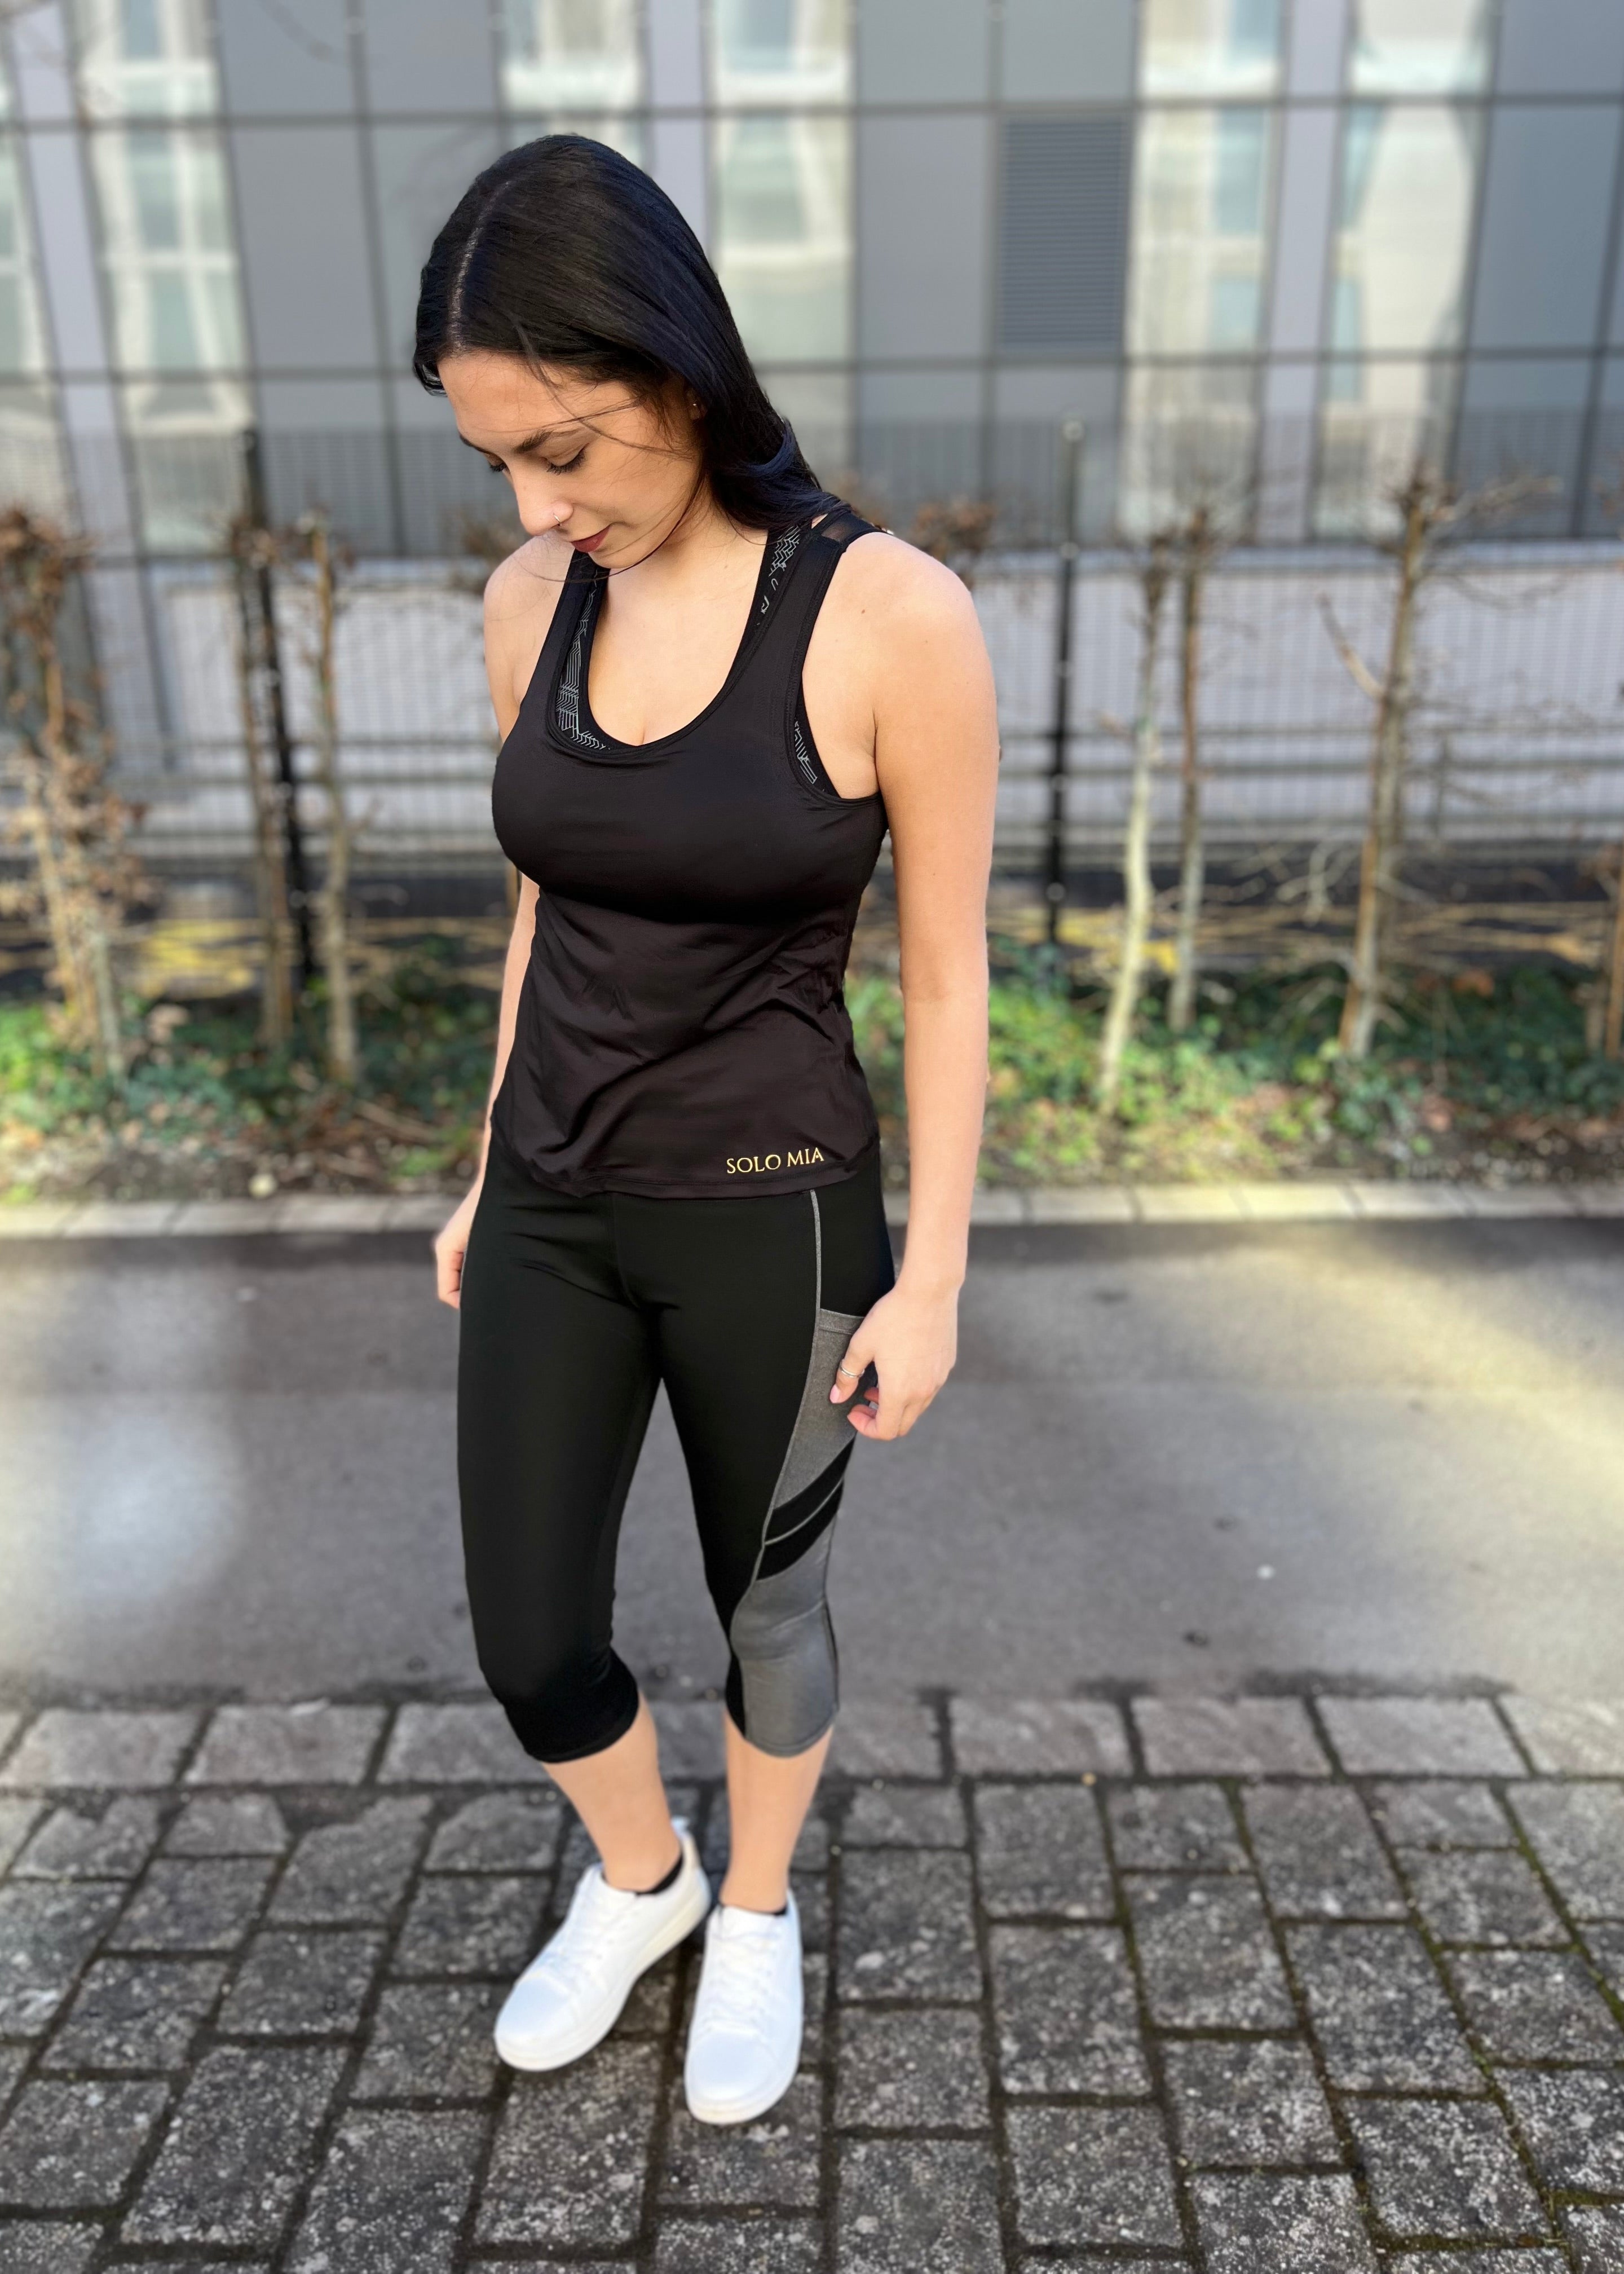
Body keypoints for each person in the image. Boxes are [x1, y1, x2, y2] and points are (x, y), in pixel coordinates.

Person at [417, 135, 996, 2127]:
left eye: (566, 445)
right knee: (528, 1635)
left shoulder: (885, 614)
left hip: (777, 1214)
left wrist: (933, 1274)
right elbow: (540, 907)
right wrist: (494, 1165)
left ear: (679, 373)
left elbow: (945, 967)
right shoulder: (530, 601)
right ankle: (643, 1882)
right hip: (561, 1196)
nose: (536, 500)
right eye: (498, 457)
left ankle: (754, 1910)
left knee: (772, 1608)